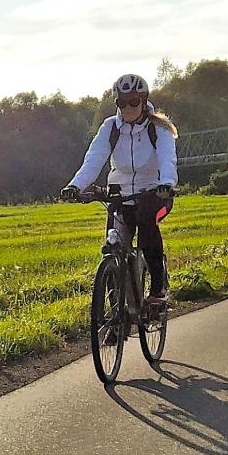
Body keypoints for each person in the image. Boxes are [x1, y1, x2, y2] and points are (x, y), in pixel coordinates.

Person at [61, 74, 178, 305]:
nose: (128, 107)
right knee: (113, 246)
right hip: (120, 195)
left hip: (154, 193)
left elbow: (167, 159)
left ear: (143, 101)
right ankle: (117, 314)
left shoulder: (158, 128)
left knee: (146, 222)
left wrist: (166, 183)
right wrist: (75, 186)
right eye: (122, 103)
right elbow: (93, 160)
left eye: (133, 101)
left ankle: (157, 289)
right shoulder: (110, 127)